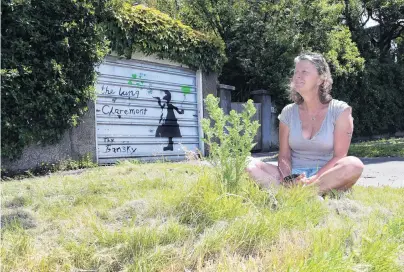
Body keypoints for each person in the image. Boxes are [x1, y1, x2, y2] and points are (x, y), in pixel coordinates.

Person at [246, 52, 364, 194]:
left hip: (325, 175)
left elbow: (339, 156)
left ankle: (298, 192)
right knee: (246, 163)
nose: (297, 76)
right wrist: (288, 179)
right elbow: (284, 156)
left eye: (304, 72)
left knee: (354, 165)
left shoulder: (340, 110)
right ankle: (300, 193)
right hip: (294, 175)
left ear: (321, 79)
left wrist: (313, 179)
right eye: (296, 72)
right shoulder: (288, 112)